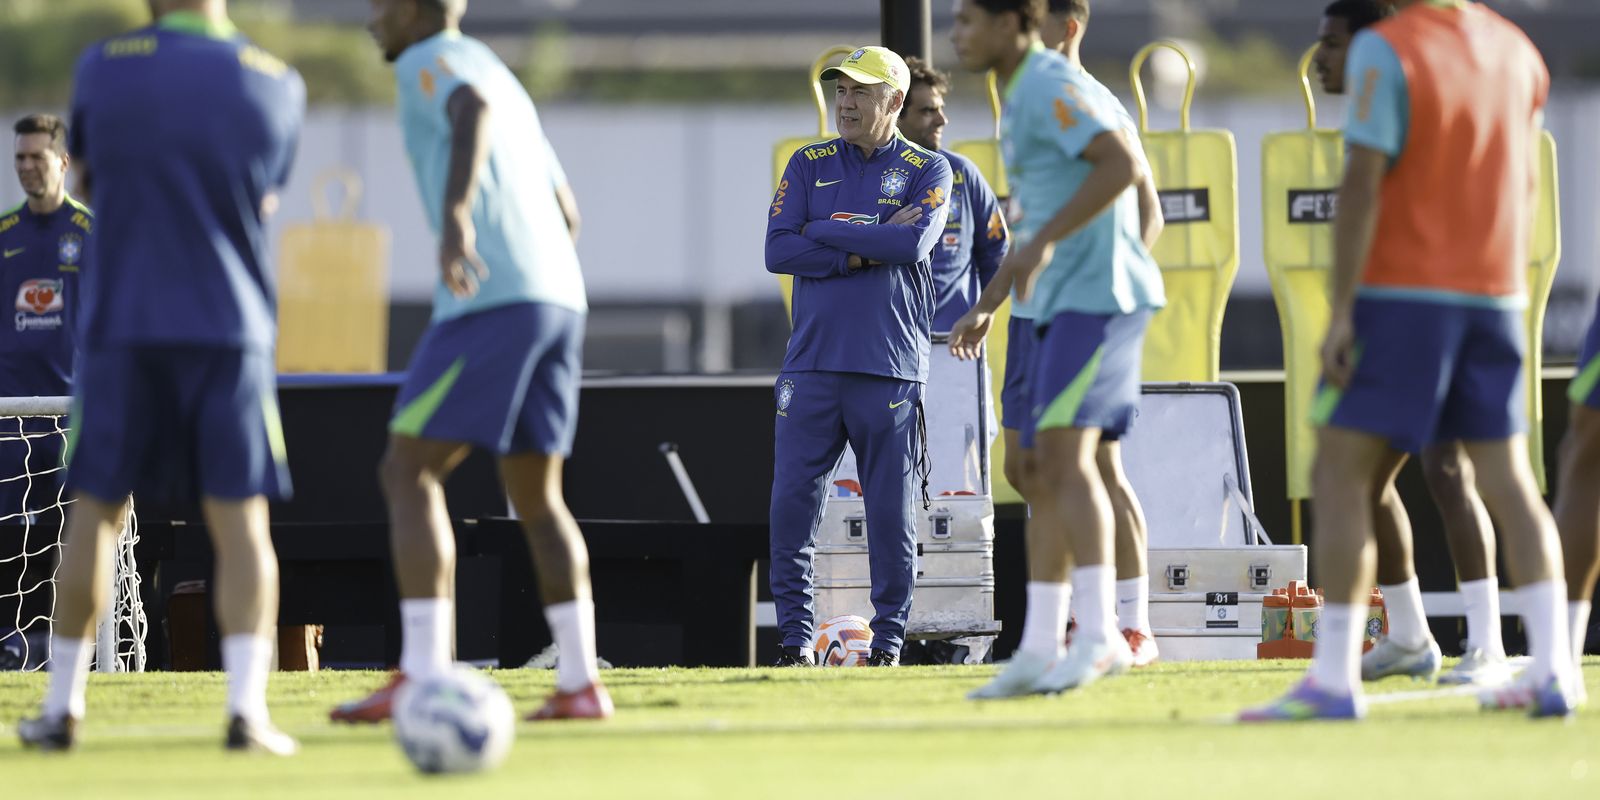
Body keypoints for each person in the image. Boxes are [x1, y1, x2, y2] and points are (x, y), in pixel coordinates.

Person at [1242, 0, 1573, 721]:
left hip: (1405, 297)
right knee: (1509, 481)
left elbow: (1362, 182)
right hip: (1495, 294)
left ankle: (1334, 682)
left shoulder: (1388, 48)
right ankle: (1554, 670)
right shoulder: (1517, 48)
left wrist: (1342, 308)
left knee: (1337, 469)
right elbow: (1525, 181)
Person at [18, 0, 305, 753]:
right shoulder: (276, 81)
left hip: (125, 324)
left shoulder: (101, 69)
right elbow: (264, 196)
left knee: (95, 513)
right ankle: (247, 712)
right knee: (241, 521)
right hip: (230, 325)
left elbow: (89, 178)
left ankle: (62, 708)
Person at [333, 0, 609, 723]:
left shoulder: (433, 60)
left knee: (407, 469)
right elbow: (569, 211)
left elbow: (470, 109)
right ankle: (581, 683)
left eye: (380, 4)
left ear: (412, 9)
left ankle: (422, 673)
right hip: (560, 298)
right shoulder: (501, 71)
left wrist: (457, 216)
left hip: (493, 300)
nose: (371, 19)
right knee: (538, 496)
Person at [951, 0, 1166, 698]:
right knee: (1040, 469)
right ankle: (1040, 647)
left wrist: (1046, 243)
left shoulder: (1050, 84)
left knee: (1072, 463)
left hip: (1094, 300)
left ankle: (1105, 634)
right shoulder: (1019, 93)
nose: (957, 34)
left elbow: (1122, 167)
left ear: (1015, 23)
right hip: (1054, 304)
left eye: (968, 20)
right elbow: (1035, 219)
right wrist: (994, 298)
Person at [1313, 0, 1508, 688]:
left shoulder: (1407, 87)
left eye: (1332, 43)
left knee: (1449, 470)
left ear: (1371, 45)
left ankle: (1488, 645)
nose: (1319, 58)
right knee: (1364, 483)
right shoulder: (1375, 107)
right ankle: (1409, 636)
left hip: (1432, 311)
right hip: (1386, 316)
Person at [765, 45, 952, 668]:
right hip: (811, 364)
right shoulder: (808, 161)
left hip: (889, 366)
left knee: (891, 516)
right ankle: (794, 643)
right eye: (840, 91)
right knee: (792, 506)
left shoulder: (930, 169)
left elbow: (914, 242)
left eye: (860, 92)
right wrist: (864, 247)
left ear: (894, 101)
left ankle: (889, 643)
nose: (845, 103)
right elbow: (778, 250)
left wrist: (823, 230)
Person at [1035, 0, 1163, 667]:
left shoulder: (1086, 98)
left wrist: (1109, 285)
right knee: (1055, 467)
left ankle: (1127, 626)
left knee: (1096, 466)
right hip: (1053, 311)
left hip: (1092, 310)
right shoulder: (1041, 95)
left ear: (1067, 27)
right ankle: (1085, 624)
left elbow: (1149, 209)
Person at [0, 115, 89, 523]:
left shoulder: (92, 233)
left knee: (75, 543)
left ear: (64, 161)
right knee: (11, 551)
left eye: (37, 156)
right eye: (20, 157)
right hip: (10, 423)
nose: (26, 166)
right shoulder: (5, 234)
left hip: (72, 418)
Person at [896, 58, 1008, 332]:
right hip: (893, 341)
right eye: (928, 111)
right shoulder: (872, 175)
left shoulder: (962, 172)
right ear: (896, 113)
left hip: (956, 341)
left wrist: (983, 310)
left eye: (941, 109)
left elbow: (997, 249)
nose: (942, 119)